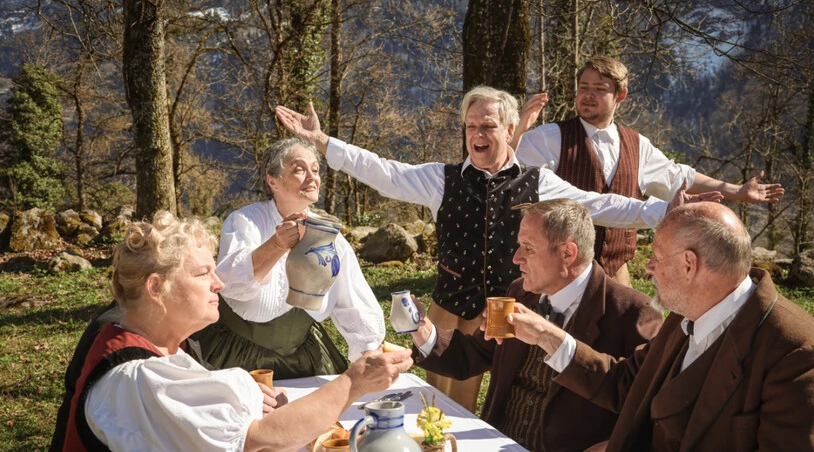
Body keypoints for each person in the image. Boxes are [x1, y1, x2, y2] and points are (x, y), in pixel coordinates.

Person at [275, 87, 720, 411]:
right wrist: (323, 143)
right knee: (444, 407)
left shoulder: (539, 181)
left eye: (487, 125)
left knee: (512, 398)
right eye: (471, 126)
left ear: (510, 129)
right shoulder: (440, 179)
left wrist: (661, 212)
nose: (477, 134)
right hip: (451, 308)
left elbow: (600, 205)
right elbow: (383, 171)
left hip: (512, 306)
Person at [60, 211, 413, 451]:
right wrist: (354, 382)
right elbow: (260, 440)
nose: (218, 283)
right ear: (157, 288)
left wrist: (245, 399)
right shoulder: (138, 379)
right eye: (202, 274)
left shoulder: (157, 346)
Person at [505, 202, 814, 451]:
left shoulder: (795, 350)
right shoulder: (683, 316)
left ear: (689, 265)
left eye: (656, 256)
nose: (649, 267)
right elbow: (627, 383)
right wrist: (548, 336)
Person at [409, 199, 663, 451]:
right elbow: (474, 354)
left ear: (567, 254)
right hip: (495, 442)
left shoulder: (634, 312)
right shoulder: (521, 292)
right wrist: (421, 329)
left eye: (528, 248)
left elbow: (645, 405)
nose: (516, 258)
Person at [511, 56, 784, 286]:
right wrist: (519, 129)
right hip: (560, 270)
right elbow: (508, 169)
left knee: (625, 343)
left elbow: (678, 177)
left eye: (599, 89)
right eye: (584, 88)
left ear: (621, 95)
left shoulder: (637, 145)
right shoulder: (550, 137)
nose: (588, 95)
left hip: (617, 270)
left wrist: (736, 190)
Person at [194, 138, 385, 378]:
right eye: (299, 169)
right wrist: (276, 244)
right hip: (235, 356)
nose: (312, 177)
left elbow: (353, 299)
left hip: (305, 356)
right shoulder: (245, 221)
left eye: (315, 170)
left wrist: (369, 350)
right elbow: (230, 283)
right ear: (272, 181)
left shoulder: (330, 237)